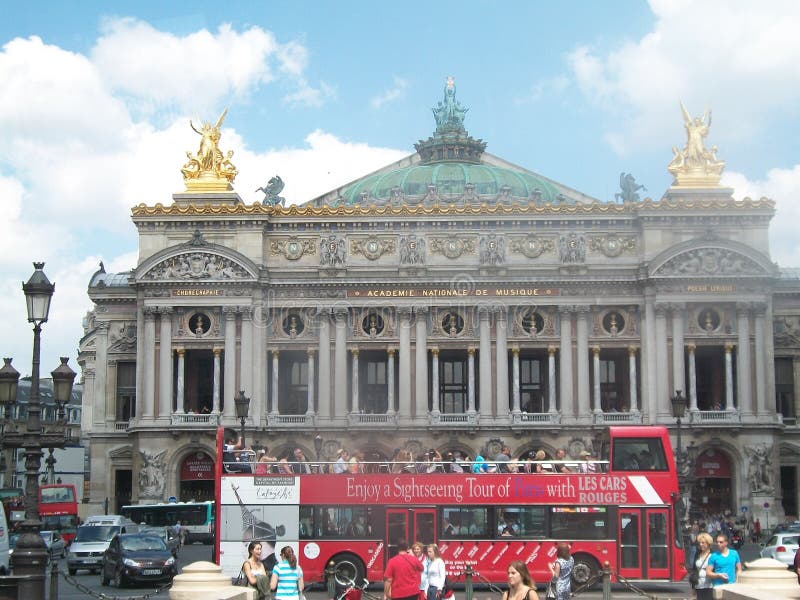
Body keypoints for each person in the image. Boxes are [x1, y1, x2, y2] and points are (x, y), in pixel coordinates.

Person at [693, 532, 714, 599]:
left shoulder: (713, 555)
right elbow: (694, 569)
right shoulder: (697, 553)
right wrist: (693, 587)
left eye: (703, 543)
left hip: (709, 586)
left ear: (708, 544)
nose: (701, 544)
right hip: (698, 585)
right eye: (700, 543)